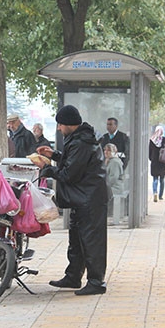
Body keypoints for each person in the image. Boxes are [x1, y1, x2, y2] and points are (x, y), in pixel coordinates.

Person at [34, 105, 109, 296]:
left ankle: (96, 282)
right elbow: (73, 162)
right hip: (82, 198)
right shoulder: (78, 139)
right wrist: (54, 155)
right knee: (76, 239)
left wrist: (48, 167)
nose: (59, 128)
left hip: (89, 199)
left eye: (60, 124)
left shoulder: (81, 142)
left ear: (68, 124)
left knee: (92, 241)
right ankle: (73, 275)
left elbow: (70, 174)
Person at [149, 126, 165, 202]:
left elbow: (149, 152)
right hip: (163, 162)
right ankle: (160, 195)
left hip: (155, 162)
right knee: (162, 179)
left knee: (155, 179)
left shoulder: (152, 140)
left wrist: (151, 159)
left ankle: (155, 192)